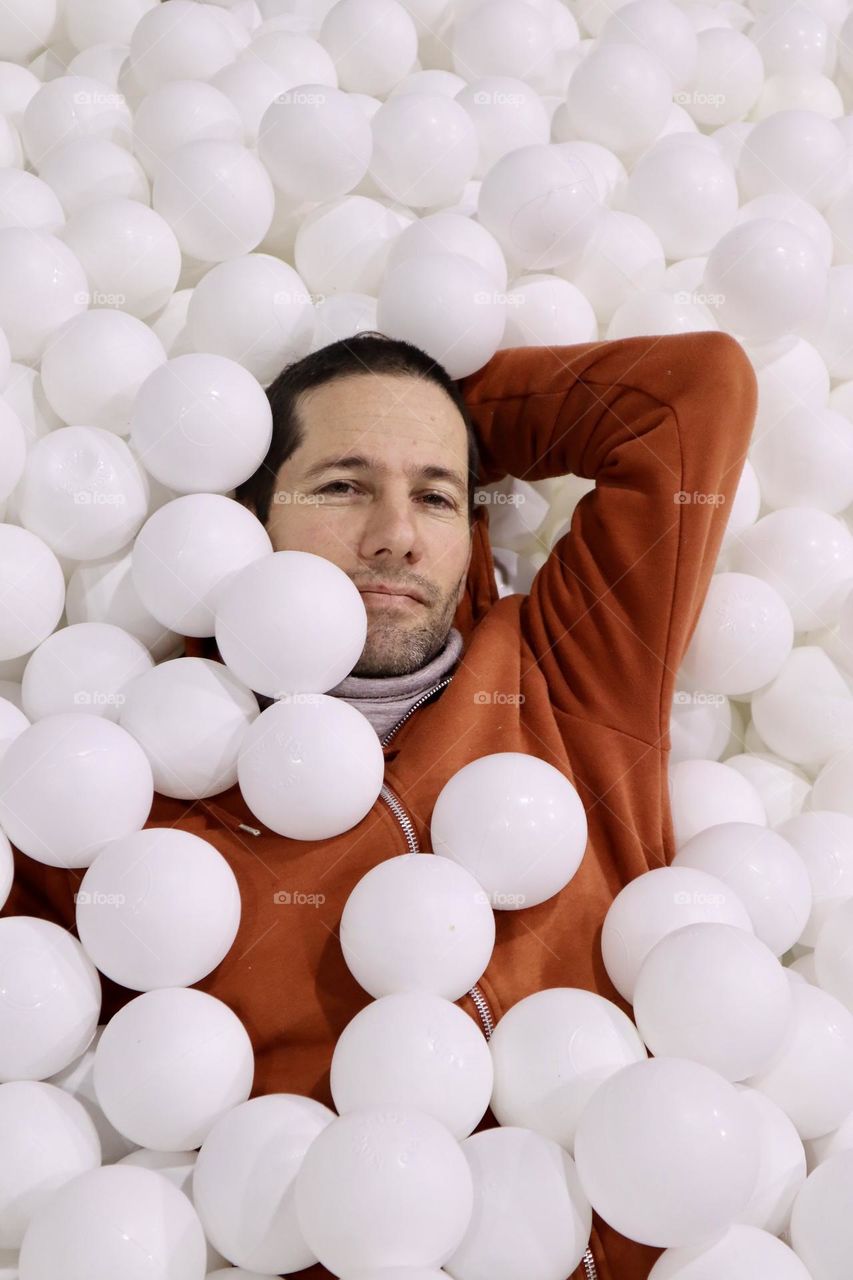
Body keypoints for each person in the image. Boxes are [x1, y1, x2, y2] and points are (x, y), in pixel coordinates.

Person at [1, 327, 758, 1280]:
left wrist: (439, 404)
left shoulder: (569, 671)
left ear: (473, 532)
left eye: (435, 496)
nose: (396, 533)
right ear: (245, 514)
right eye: (342, 486)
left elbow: (689, 392)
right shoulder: (135, 816)